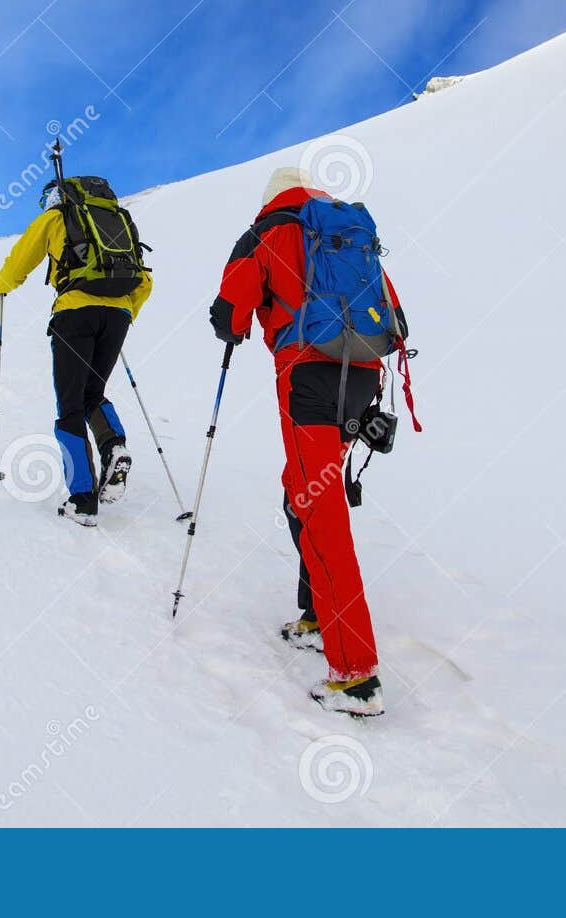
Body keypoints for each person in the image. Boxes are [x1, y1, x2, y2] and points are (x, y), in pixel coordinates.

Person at [209, 165, 410, 718]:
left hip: (309, 380)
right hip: (362, 376)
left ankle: (355, 674)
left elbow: (228, 313)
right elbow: (396, 316)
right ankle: (317, 613)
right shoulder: (342, 234)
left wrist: (238, 323)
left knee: (320, 510)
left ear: (270, 197)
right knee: (300, 488)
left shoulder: (267, 232)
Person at [0, 175, 152, 528]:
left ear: (54, 197)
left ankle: (82, 499)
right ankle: (114, 448)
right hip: (118, 314)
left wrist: (0, 285)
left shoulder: (56, 218)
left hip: (74, 314)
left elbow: (20, 261)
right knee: (94, 392)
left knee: (70, 406)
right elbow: (143, 278)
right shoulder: (119, 221)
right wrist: (123, 311)